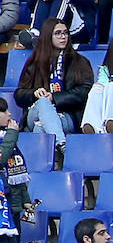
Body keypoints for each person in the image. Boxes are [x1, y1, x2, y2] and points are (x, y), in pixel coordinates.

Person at [15, 19, 95, 148]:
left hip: (67, 115)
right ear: (48, 36)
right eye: (57, 33)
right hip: (35, 112)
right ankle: (62, 144)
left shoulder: (80, 61)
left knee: (40, 127)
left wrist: (55, 98)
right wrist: (34, 93)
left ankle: (44, 163)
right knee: (42, 102)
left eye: (65, 33)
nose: (63, 37)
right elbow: (19, 95)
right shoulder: (35, 62)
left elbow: (85, 92)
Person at [27, 0, 113, 45]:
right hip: (53, 20)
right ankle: (35, 32)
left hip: (79, 22)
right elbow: (30, 4)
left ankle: (49, 35)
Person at [0, 100, 35, 243]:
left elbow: (16, 172)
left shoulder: (7, 137)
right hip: (1, 208)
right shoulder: (9, 137)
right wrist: (12, 135)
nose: (10, 114)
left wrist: (26, 200)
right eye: (4, 111)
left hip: (12, 206)